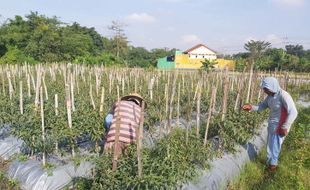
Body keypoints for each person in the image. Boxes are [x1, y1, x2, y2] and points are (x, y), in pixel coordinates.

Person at [242, 77, 298, 172]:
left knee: (274, 147)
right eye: (264, 88)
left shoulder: (283, 96)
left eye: (265, 88)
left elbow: (293, 112)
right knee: (270, 146)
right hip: (272, 125)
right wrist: (251, 107)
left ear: (272, 86)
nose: (264, 91)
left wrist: (285, 127)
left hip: (280, 127)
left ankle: (272, 167)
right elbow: (262, 106)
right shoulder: (270, 96)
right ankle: (270, 165)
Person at [104, 93, 147, 167]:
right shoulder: (140, 111)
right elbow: (139, 129)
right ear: (139, 103)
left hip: (114, 137)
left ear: (128, 99)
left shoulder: (118, 103)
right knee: (126, 165)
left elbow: (108, 119)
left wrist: (108, 131)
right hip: (131, 141)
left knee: (109, 165)